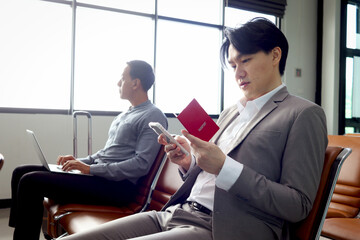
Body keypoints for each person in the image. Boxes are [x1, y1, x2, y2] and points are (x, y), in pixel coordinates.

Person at [61, 18, 328, 240]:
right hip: (177, 212)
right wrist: (189, 162)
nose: (237, 73)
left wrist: (224, 167)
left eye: (245, 60)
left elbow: (298, 205)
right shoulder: (231, 112)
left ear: (275, 55)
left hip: (227, 228)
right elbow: (209, 174)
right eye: (234, 65)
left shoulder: (302, 114)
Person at [9, 60, 168, 240]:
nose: (118, 83)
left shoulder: (153, 115)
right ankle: (21, 228)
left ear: (135, 83)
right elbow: (106, 154)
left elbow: (141, 164)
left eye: (123, 78)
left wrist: (90, 169)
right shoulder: (125, 114)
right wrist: (80, 162)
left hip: (117, 187)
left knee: (31, 181)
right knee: (20, 172)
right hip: (100, 178)